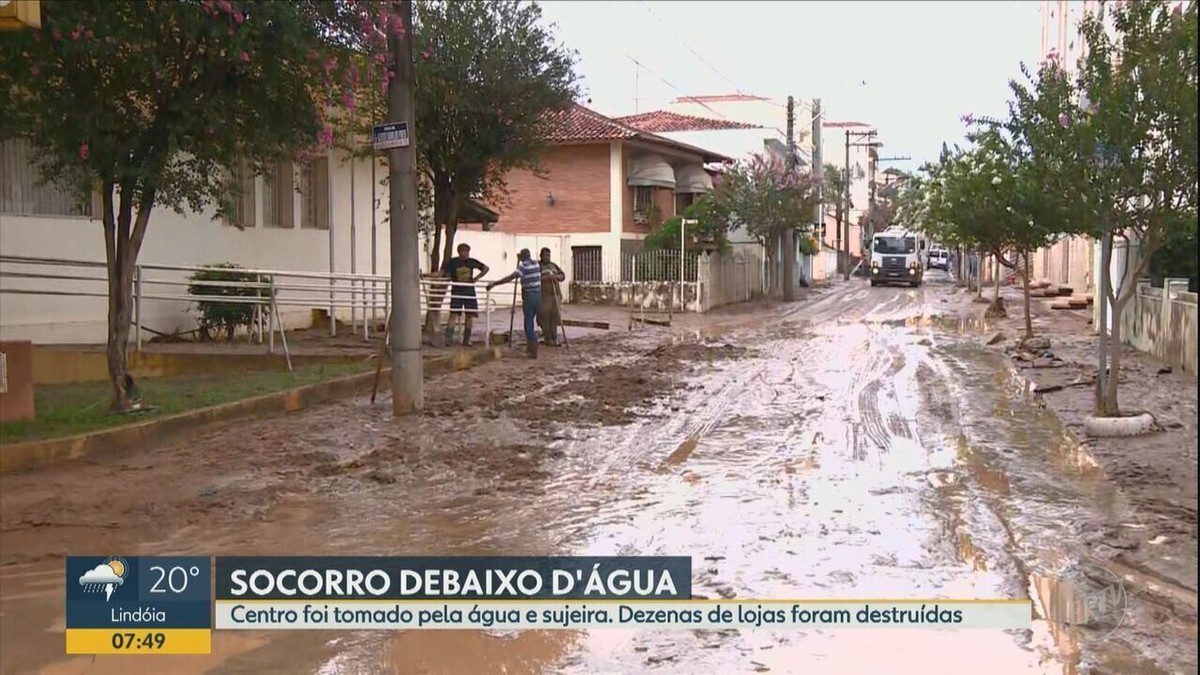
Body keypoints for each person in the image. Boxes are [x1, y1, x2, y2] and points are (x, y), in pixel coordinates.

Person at [487, 249, 542, 358]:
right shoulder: (536, 264)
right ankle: (530, 348)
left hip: (529, 296)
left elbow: (511, 277)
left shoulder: (523, 266)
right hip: (538, 295)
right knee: (531, 320)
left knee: (528, 323)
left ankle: (532, 349)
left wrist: (495, 283)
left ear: (521, 257)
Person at [440, 243, 489, 347]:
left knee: (469, 316)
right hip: (457, 291)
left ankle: (466, 340)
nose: (465, 254)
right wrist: (429, 276)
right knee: (453, 314)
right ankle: (448, 339)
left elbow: (485, 268)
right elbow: (443, 273)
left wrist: (476, 278)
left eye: (467, 251)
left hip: (469, 292)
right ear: (459, 252)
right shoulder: (453, 262)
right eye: (464, 251)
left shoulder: (471, 262)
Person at [537, 247, 566, 346]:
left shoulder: (553, 265)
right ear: (541, 256)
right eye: (545, 255)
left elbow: (563, 275)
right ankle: (547, 338)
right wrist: (547, 277)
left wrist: (557, 277)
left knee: (555, 318)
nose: (547, 257)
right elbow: (536, 278)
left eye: (548, 255)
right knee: (544, 318)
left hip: (555, 295)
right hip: (544, 296)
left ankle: (554, 338)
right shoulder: (538, 266)